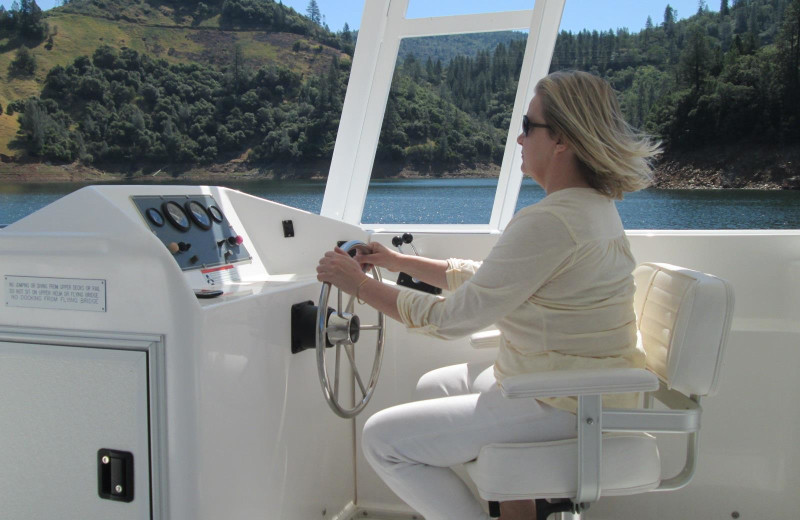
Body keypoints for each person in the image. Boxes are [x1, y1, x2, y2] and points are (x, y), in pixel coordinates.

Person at [316, 70, 661, 520]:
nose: (519, 139)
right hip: (583, 384)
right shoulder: (592, 208)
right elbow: (494, 280)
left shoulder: (551, 221)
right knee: (432, 385)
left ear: (561, 140)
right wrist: (398, 263)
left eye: (527, 125)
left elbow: (451, 320)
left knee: (382, 441)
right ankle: (520, 510)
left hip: (566, 399)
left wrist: (359, 286)